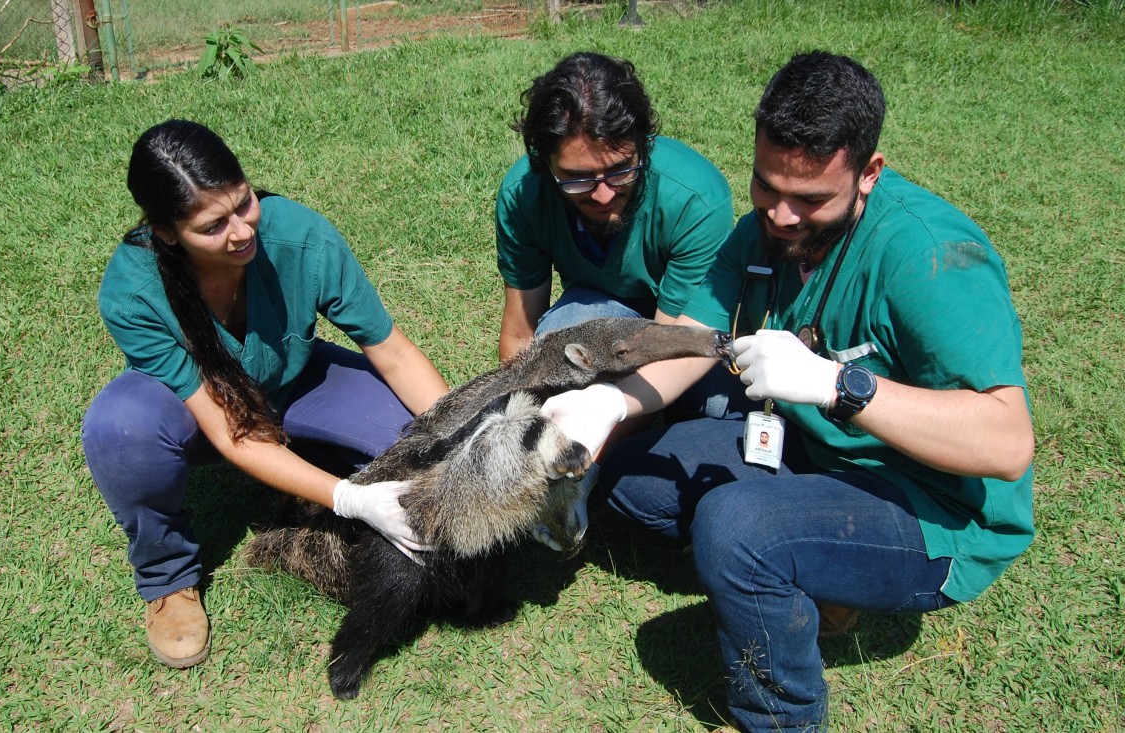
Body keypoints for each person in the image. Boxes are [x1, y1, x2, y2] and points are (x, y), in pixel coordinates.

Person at [541, 52, 1035, 731]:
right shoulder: (762, 234)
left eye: (810, 199)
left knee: (736, 527)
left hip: (936, 511)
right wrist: (607, 405)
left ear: (870, 173)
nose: (780, 214)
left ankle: (782, 717)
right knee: (631, 471)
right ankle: (802, 573)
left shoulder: (930, 258)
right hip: (821, 455)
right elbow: (687, 333)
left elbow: (1007, 442)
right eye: (766, 185)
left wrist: (841, 384)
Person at [81, 119, 449, 670]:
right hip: (201, 412)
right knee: (121, 428)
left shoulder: (300, 235)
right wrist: (349, 498)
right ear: (165, 232)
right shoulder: (133, 290)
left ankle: (310, 463)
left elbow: (393, 353)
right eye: (212, 226)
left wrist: (467, 436)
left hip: (294, 381)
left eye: (244, 202)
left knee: (418, 447)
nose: (241, 231)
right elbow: (232, 430)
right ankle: (167, 577)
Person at [495, 51, 734, 363]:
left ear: (643, 146)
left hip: (684, 323)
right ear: (544, 162)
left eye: (621, 169)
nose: (603, 195)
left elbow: (667, 348)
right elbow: (520, 335)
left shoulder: (695, 198)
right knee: (560, 348)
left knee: (714, 399)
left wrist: (614, 408)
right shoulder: (523, 195)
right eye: (577, 178)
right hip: (600, 306)